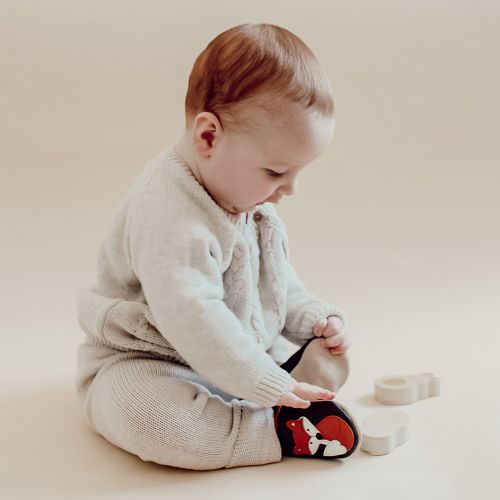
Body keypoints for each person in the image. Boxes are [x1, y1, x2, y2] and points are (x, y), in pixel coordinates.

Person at [74, 22, 360, 471]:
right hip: (149, 360)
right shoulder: (168, 210)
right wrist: (260, 378)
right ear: (208, 136)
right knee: (152, 420)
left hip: (234, 357)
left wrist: (310, 317)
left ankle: (282, 396)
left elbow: (276, 279)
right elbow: (192, 313)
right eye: (275, 171)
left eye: (296, 174)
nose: (289, 190)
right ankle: (270, 428)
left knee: (330, 357)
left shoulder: (247, 197)